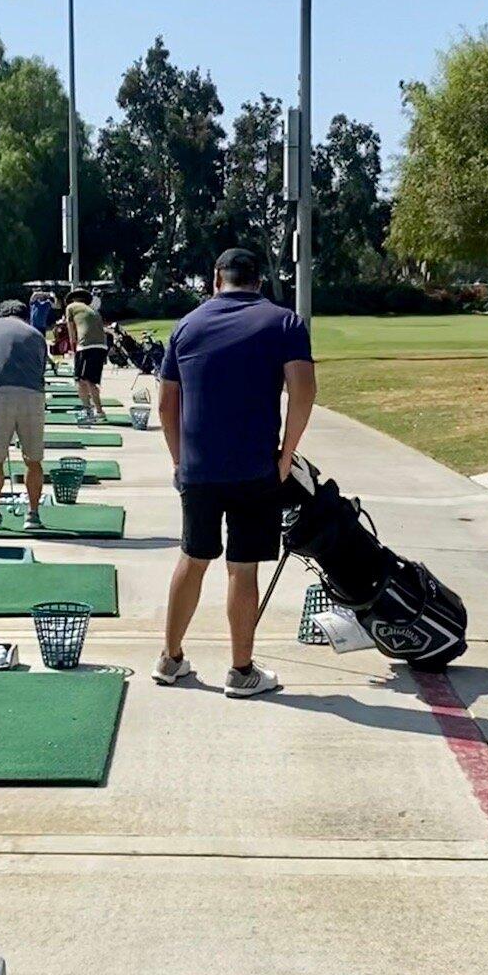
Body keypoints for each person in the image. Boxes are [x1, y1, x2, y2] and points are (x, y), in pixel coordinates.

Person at [153, 248, 316, 698]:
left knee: (193, 556)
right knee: (242, 570)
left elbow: (167, 405)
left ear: (216, 279)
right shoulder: (284, 322)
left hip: (199, 468)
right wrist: (286, 454)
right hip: (255, 467)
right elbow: (304, 392)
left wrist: (178, 461)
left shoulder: (185, 326)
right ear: (258, 281)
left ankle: (170, 658)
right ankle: (241, 671)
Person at [0, 298, 47, 532]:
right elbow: (40, 368)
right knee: (33, 460)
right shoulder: (37, 334)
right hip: (33, 396)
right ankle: (33, 516)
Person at [65, 291, 109, 423]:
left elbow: (71, 332)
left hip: (86, 346)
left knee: (83, 381)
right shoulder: (93, 310)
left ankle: (94, 411)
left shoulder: (71, 308)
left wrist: (73, 350)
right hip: (101, 346)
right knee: (89, 380)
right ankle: (93, 410)